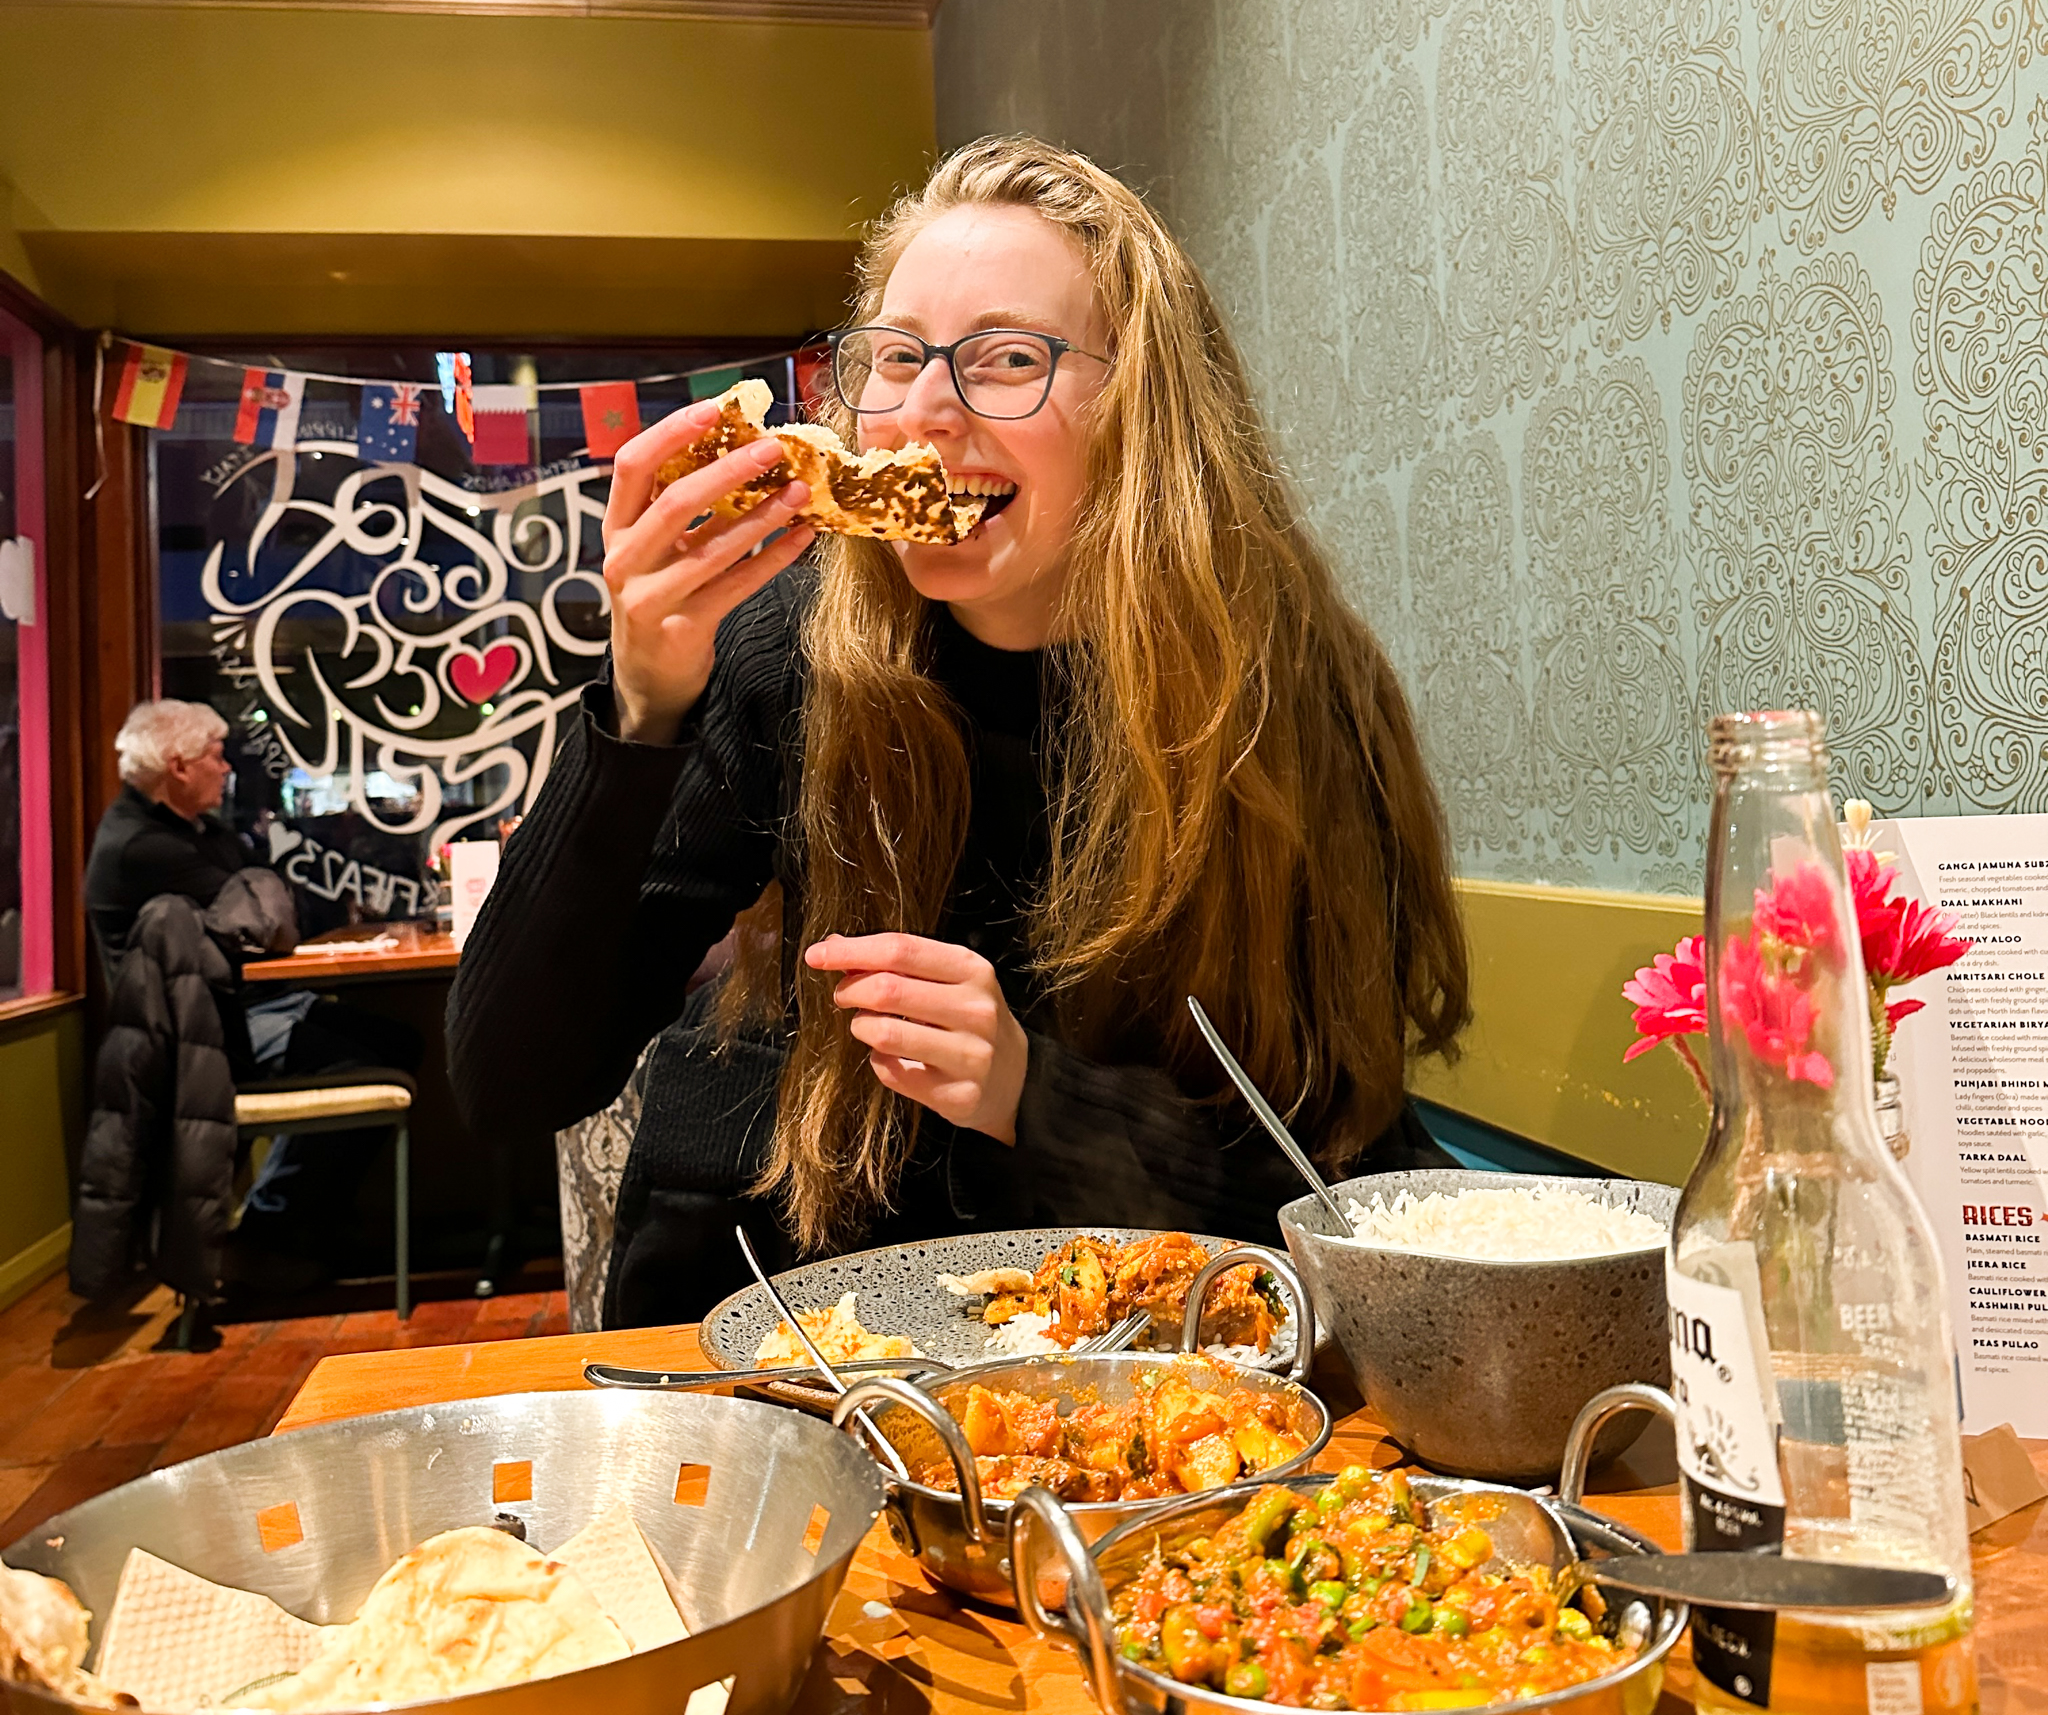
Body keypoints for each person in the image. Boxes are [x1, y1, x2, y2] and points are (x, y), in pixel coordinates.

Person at [447, 137, 1468, 1327]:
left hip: (1144, 1357)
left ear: (1139, 403)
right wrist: (640, 704)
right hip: (777, 1325)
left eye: (1004, 359)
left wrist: (1033, 1096)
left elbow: (1330, 1172)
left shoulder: (1284, 688)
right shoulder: (791, 644)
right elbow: (510, 1077)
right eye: (891, 359)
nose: (921, 412)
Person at [83, 699, 418, 1276]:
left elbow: (281, 906)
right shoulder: (142, 846)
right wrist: (269, 897)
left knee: (400, 1044)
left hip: (257, 1003)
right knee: (354, 1064)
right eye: (216, 757)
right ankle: (272, 1228)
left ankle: (307, 1221)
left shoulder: (197, 830)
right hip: (207, 1033)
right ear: (178, 765)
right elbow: (272, 918)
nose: (228, 768)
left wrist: (271, 897)